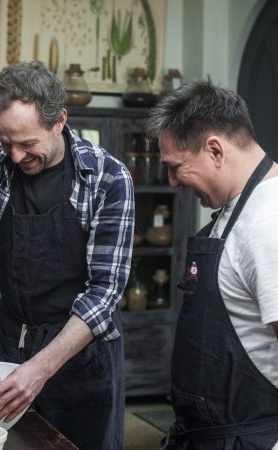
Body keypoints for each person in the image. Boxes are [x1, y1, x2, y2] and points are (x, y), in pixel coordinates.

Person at [0, 60, 134, 450]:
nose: (16, 156)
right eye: (5, 141)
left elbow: (104, 292)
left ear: (60, 121)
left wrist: (40, 368)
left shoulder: (107, 178)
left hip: (83, 360)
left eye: (27, 143)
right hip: (9, 347)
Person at [145, 79, 278, 449]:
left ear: (215, 150)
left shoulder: (269, 224)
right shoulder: (236, 211)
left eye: (176, 167)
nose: (172, 183)